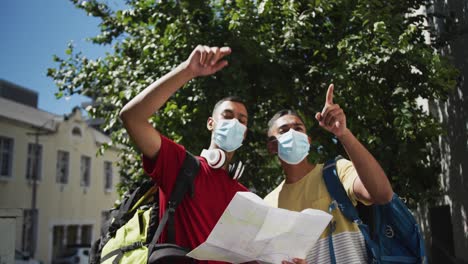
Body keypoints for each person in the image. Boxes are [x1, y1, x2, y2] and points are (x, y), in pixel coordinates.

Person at [119, 45, 250, 264]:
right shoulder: (179, 165)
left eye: (242, 120)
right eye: (227, 116)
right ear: (211, 123)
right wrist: (187, 70)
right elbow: (132, 117)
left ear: (245, 134)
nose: (235, 122)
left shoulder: (245, 197)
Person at [264, 84, 394, 264]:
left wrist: (343, 134)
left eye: (298, 128)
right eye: (284, 130)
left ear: (308, 141)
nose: (292, 133)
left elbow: (382, 194)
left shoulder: (337, 171)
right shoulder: (267, 206)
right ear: (272, 146)